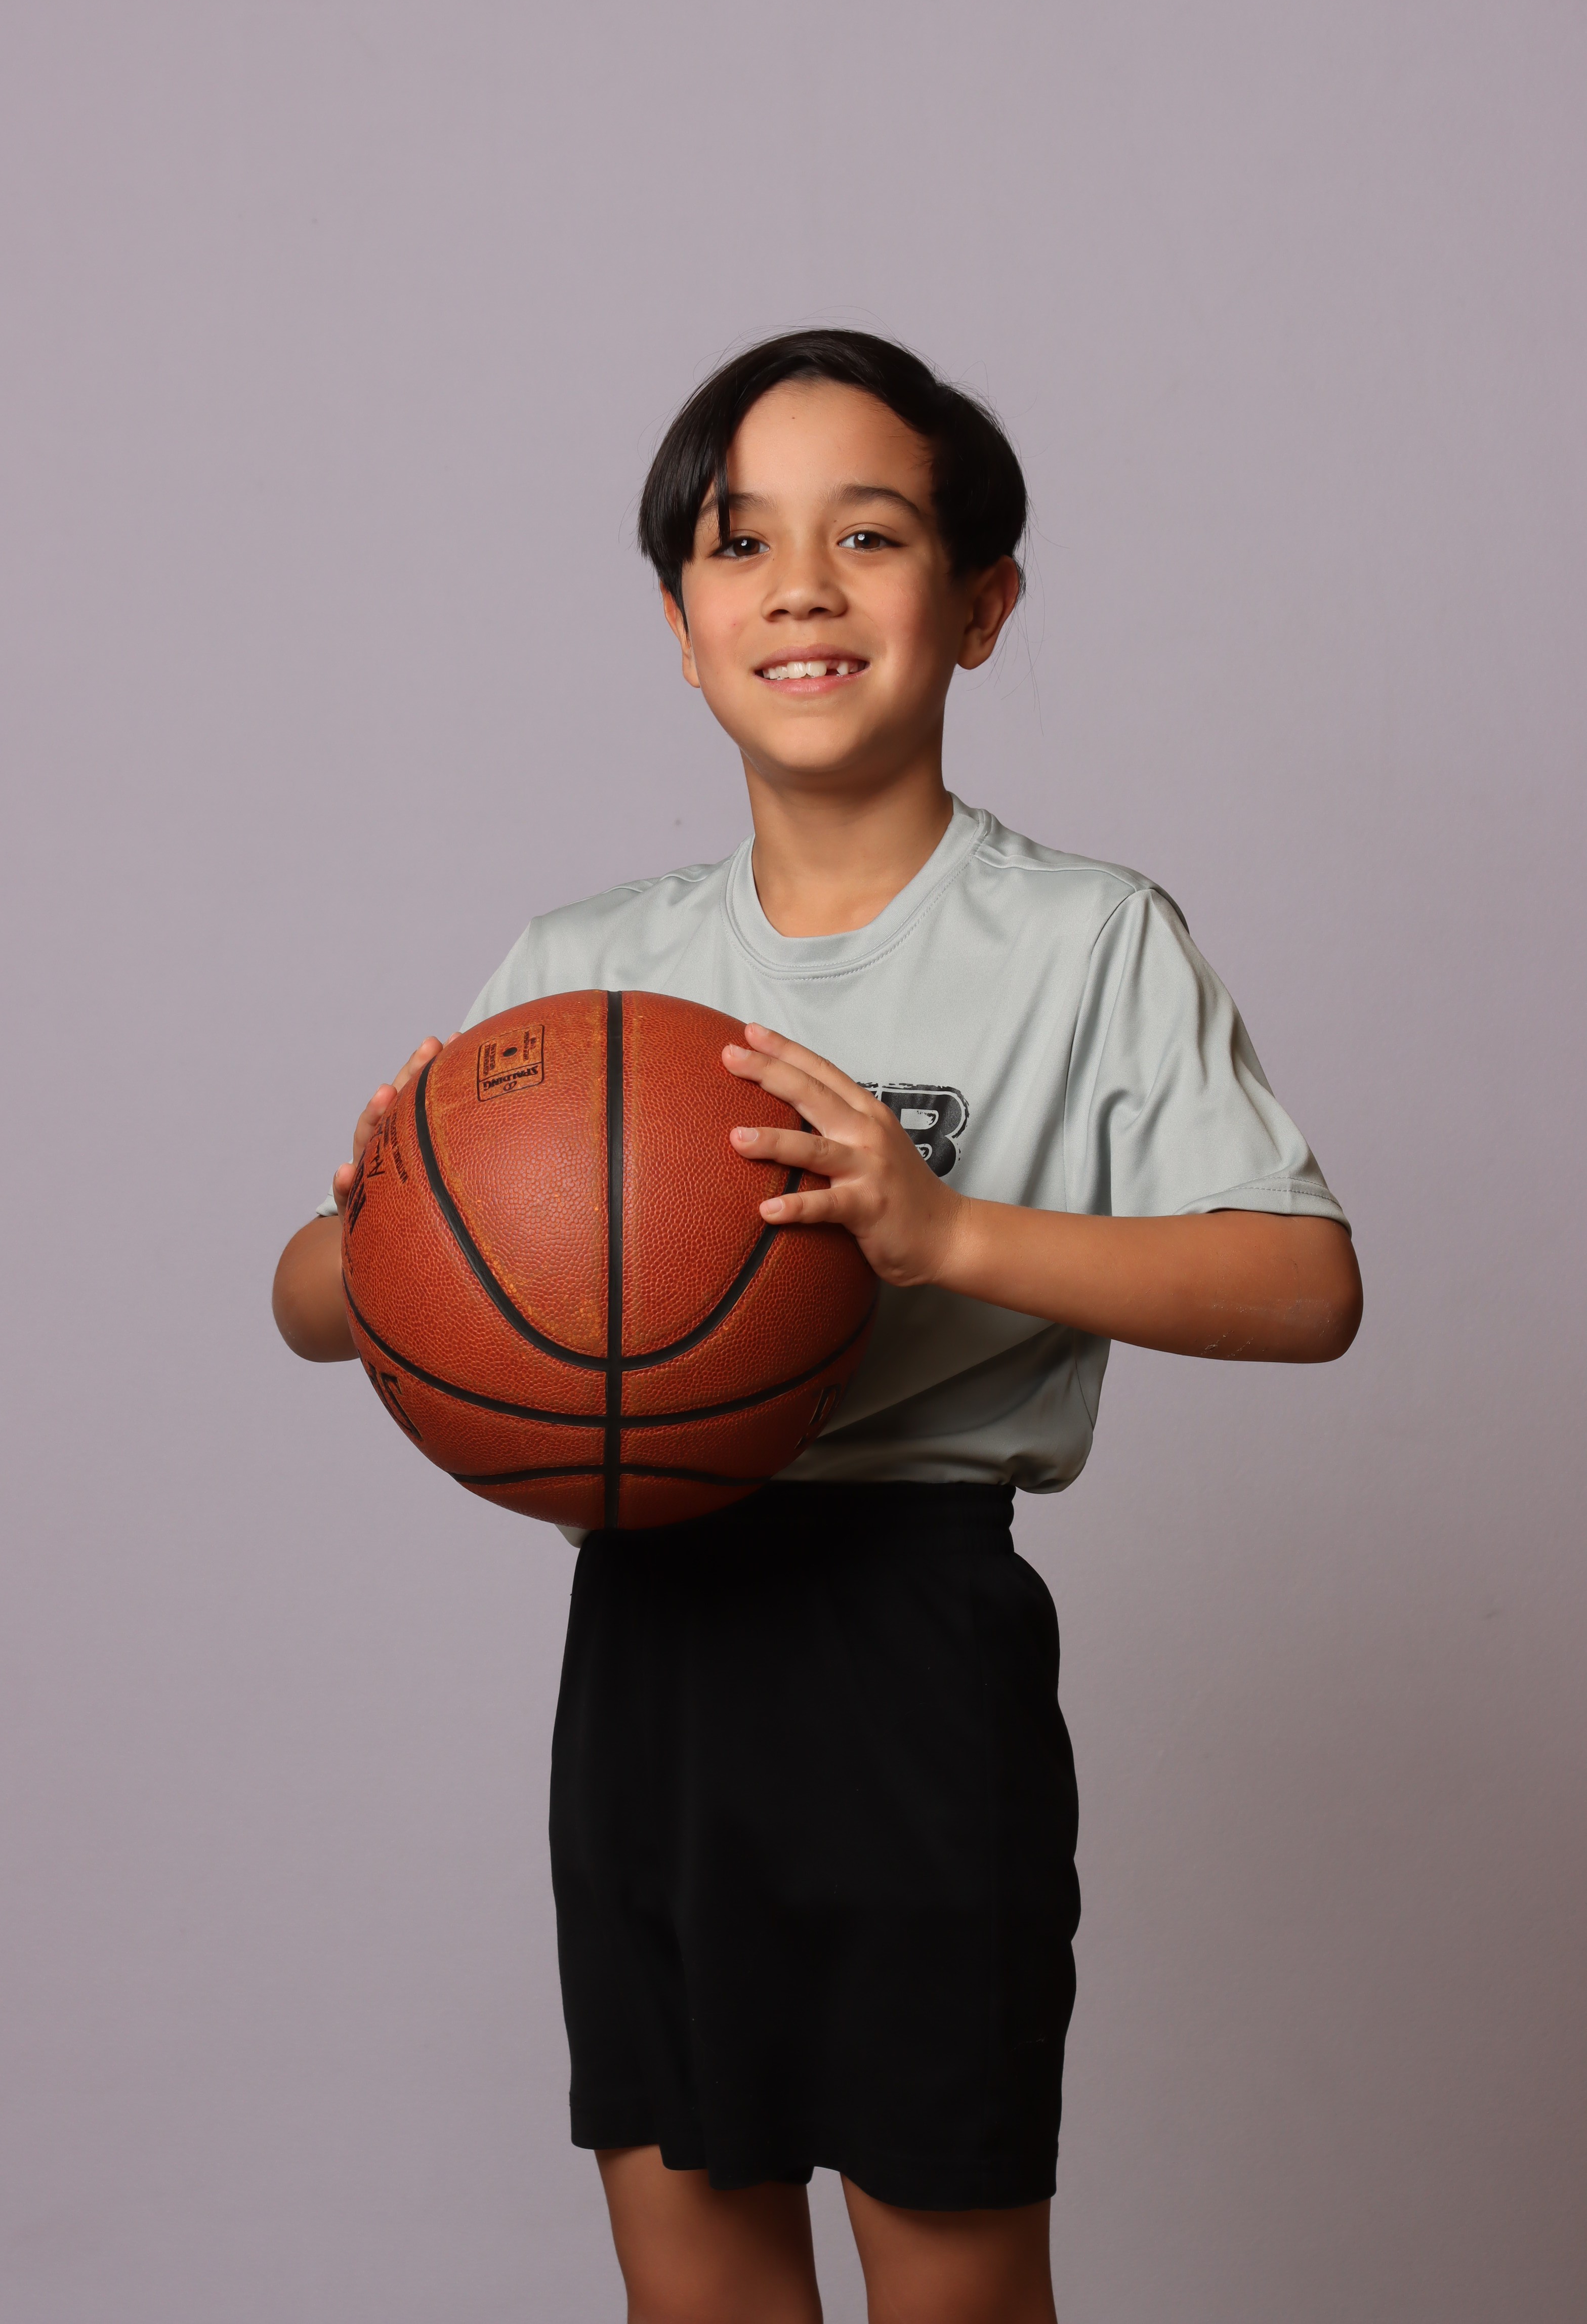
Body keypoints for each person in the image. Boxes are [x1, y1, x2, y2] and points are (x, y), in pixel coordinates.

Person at [273, 329, 1362, 2324]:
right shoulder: (587, 975)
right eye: (738, 542)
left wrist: (939, 1232)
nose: (797, 587)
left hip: (914, 1653)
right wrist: (395, 1222)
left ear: (980, 606)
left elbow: (1303, 1287)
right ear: (679, 627)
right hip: (651, 1652)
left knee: (954, 2284)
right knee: (694, 2286)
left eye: (867, 537)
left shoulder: (1083, 939)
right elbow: (309, 1307)